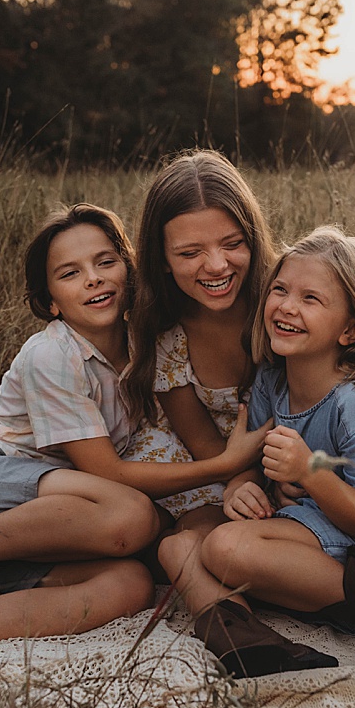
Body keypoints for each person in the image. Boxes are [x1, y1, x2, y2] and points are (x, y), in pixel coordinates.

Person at [0, 204, 265, 644]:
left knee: (130, 584)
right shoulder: (52, 355)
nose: (93, 278)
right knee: (131, 515)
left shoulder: (145, 346)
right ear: (49, 301)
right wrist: (223, 467)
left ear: (130, 270)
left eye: (106, 262)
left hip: (41, 521)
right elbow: (107, 474)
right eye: (70, 274)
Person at [158, 228, 355, 678]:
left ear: (350, 329)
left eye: (310, 299)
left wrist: (310, 472)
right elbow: (249, 465)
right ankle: (248, 643)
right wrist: (241, 490)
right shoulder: (272, 381)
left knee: (225, 547)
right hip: (307, 539)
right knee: (178, 546)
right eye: (280, 290)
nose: (286, 306)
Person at [125, 151, 278, 520]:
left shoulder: (283, 300)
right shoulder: (166, 334)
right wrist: (241, 479)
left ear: (253, 238)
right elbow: (203, 442)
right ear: (162, 258)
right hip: (213, 465)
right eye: (190, 252)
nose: (216, 265)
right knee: (196, 540)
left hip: (293, 462)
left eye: (232, 243)